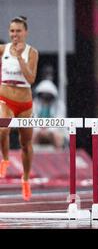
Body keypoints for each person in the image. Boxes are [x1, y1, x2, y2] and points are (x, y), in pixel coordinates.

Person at [0, 16, 39, 201]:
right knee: (3, 129)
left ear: (25, 32)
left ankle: (25, 179)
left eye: (18, 31)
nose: (15, 34)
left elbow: (31, 79)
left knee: (26, 144)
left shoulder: (32, 53)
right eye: (12, 31)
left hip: (24, 103)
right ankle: (5, 159)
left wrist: (19, 59)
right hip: (5, 99)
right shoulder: (3, 49)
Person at [32, 79, 67, 151]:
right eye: (44, 95)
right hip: (38, 131)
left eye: (48, 96)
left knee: (57, 136)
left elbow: (60, 122)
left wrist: (48, 131)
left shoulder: (59, 106)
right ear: (40, 95)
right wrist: (40, 130)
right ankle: (29, 157)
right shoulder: (34, 105)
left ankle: (59, 156)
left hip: (54, 131)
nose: (45, 98)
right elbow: (32, 120)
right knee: (31, 136)